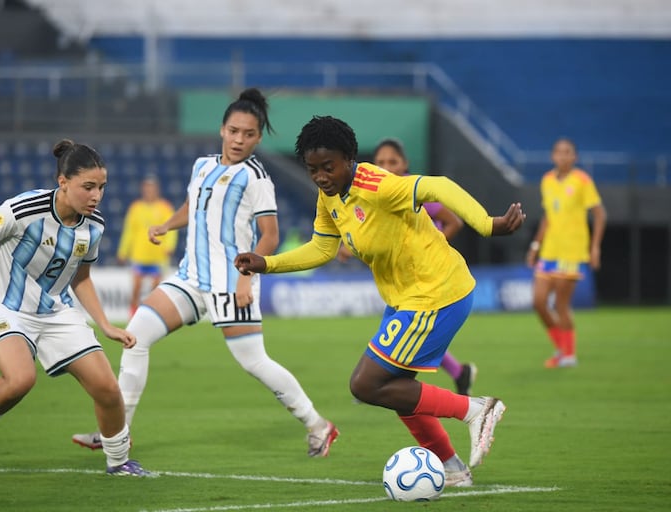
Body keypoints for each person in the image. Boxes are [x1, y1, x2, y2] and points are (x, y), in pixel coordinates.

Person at [234, 116, 526, 487]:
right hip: (406, 298)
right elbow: (323, 248)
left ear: (350, 158)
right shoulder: (330, 196)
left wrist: (487, 224)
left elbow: (438, 186)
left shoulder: (377, 185)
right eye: (313, 170)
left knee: (366, 385)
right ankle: (452, 470)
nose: (321, 177)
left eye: (328, 167)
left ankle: (476, 409)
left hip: (436, 292)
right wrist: (267, 264)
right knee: (397, 390)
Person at [72, 89, 338, 457]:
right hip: (190, 279)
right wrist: (167, 225)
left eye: (248, 134)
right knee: (135, 337)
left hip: (231, 283)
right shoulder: (202, 165)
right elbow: (193, 204)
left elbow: (270, 237)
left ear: (258, 138)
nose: (239, 139)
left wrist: (246, 277)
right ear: (222, 129)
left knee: (254, 362)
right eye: (233, 131)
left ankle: (318, 425)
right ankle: (118, 432)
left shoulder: (256, 178)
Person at [0, 139, 149, 476]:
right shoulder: (23, 210)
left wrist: (105, 325)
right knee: (20, 379)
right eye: (88, 187)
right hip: (1, 305)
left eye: (101, 187)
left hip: (55, 311)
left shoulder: (94, 225)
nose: (96, 196)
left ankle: (118, 463)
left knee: (107, 388)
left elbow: (81, 279)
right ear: (63, 182)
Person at [339, 138, 477, 395]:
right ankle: (458, 373)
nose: (386, 166)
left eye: (393, 161)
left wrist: (431, 247)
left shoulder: (412, 190)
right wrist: (349, 247)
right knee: (410, 339)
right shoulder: (372, 193)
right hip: (400, 283)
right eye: (381, 162)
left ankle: (372, 381)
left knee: (410, 338)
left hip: (427, 280)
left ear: (405, 164)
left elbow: (454, 221)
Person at [525, 138, 607, 368]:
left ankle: (569, 355)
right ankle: (561, 348)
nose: (563, 156)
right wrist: (535, 246)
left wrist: (595, 247)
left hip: (571, 253)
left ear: (575, 157)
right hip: (549, 251)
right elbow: (548, 217)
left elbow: (600, 215)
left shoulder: (582, 180)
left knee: (561, 305)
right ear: (553, 156)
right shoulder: (547, 180)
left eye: (567, 152)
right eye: (559, 152)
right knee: (539, 302)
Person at [117, 175, 177, 317]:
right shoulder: (136, 207)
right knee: (136, 287)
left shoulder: (165, 207)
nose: (149, 191)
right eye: (146, 189)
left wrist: (169, 246)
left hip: (158, 255)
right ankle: (133, 313)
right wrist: (123, 251)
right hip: (139, 254)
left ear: (157, 190)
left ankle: (150, 314)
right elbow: (129, 231)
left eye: (152, 189)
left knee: (156, 288)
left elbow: (171, 229)